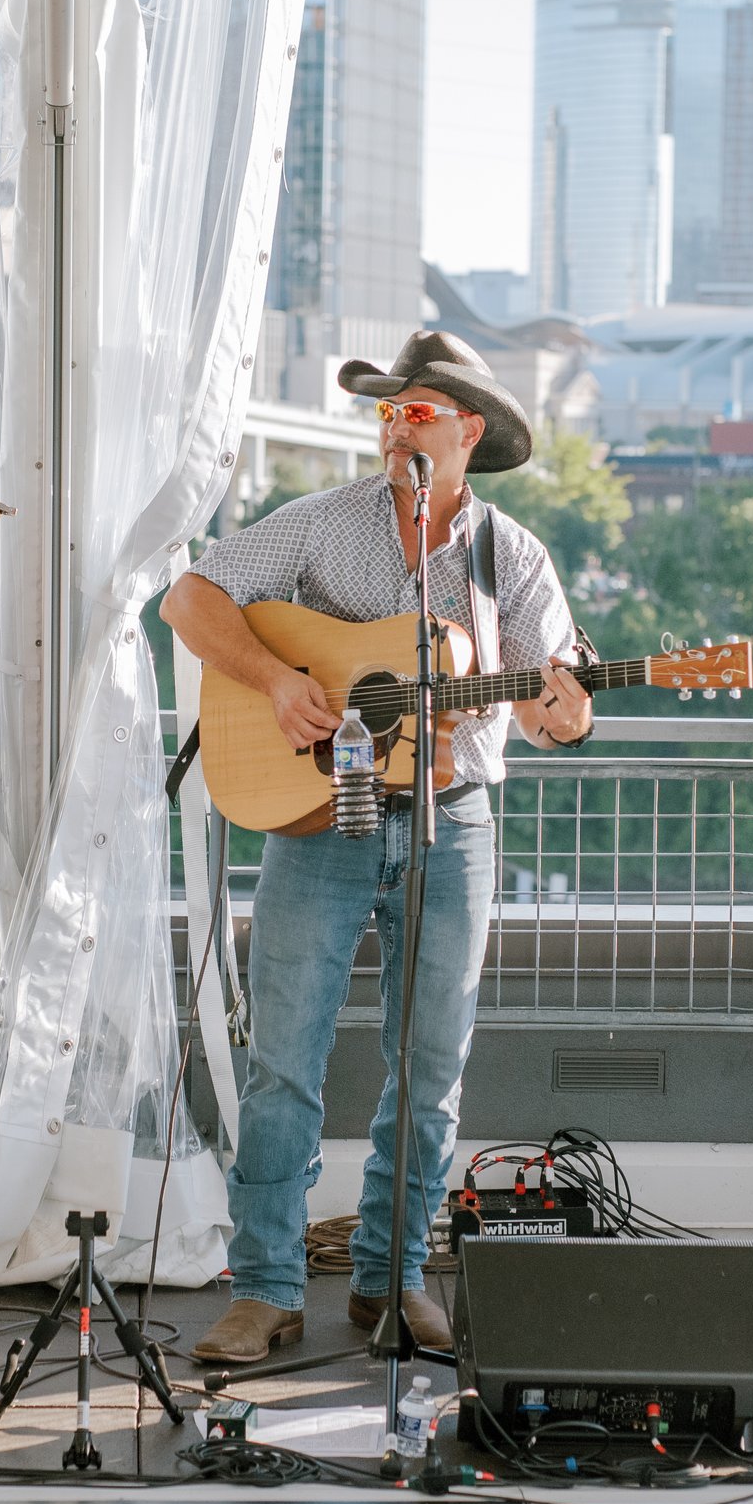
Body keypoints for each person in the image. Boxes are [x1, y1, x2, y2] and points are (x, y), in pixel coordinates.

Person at [165, 331, 595, 1365]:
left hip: (458, 824)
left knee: (431, 1065)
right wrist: (277, 682)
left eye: (416, 409)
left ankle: (390, 1278)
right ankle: (263, 1287)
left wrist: (568, 704)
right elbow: (189, 597)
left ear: (466, 431)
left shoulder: (511, 556)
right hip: (320, 817)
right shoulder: (319, 524)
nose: (394, 423)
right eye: (387, 408)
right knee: (283, 1061)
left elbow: (549, 710)